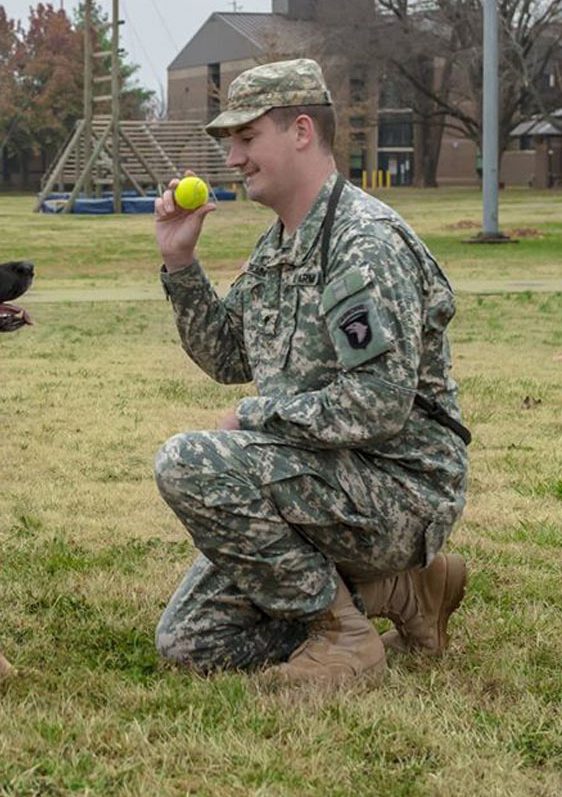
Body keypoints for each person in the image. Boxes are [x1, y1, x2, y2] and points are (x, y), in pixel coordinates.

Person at [151, 58, 470, 684]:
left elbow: (378, 403)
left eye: (247, 139)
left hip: (401, 486)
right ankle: (403, 592)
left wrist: (253, 416)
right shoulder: (279, 245)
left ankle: (342, 636)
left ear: (301, 131)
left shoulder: (363, 242)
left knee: (188, 461)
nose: (233, 159)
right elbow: (228, 357)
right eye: (229, 144)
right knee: (192, 641)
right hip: (323, 477)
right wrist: (180, 263)